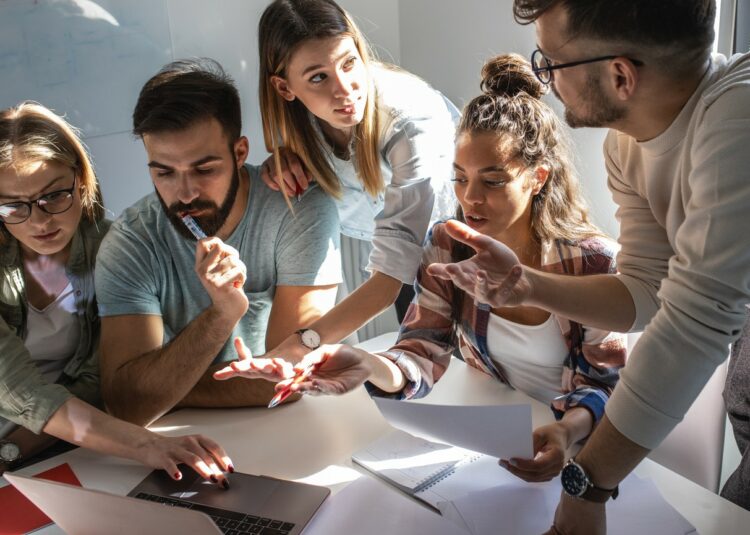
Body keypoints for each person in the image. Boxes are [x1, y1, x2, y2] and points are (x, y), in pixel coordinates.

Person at [218, 54, 627, 482]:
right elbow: (421, 351)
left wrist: (564, 432)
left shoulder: (592, 263)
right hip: (493, 441)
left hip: (576, 450)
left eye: (492, 181)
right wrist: (366, 362)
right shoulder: (448, 245)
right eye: (459, 178)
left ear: (538, 178)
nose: (470, 198)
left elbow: (603, 386)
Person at [425, 0, 750, 530]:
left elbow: (693, 327)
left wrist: (588, 485)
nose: (544, 82)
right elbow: (644, 292)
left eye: (551, 63)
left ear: (620, 74)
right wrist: (525, 284)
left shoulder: (738, 118)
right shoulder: (627, 145)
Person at [95, 58, 342, 426]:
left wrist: (167, 389)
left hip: (296, 427)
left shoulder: (301, 209)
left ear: (240, 153)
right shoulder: (131, 241)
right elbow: (128, 406)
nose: (185, 193)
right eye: (163, 172)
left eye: (204, 169)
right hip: (182, 442)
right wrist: (222, 313)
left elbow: (289, 378)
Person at [0, 102, 231, 485]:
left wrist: (14, 452)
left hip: (72, 441)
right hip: (72, 436)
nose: (39, 221)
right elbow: (15, 386)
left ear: (81, 179)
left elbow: (103, 384)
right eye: (12, 206)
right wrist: (143, 445)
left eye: (54, 196)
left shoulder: (118, 247)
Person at [253, 0, 458, 348]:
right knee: (403, 359)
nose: (345, 90)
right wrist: (284, 159)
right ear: (285, 88)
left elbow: (390, 278)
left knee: (451, 361)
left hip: (455, 241)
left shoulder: (409, 123)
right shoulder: (302, 123)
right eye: (319, 77)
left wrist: (300, 347)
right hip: (381, 245)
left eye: (350, 63)